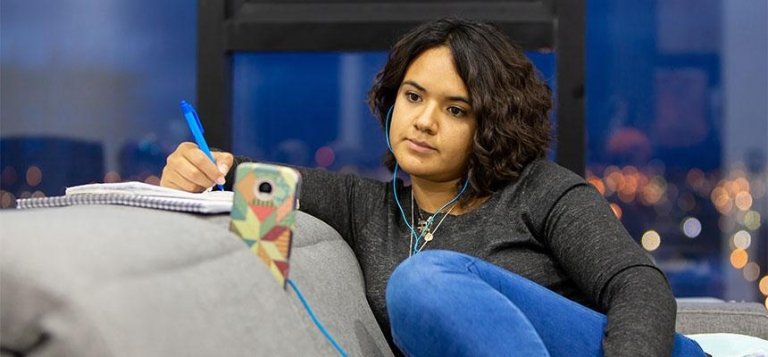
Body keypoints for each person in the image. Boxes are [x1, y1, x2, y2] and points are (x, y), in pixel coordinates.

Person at [160, 18, 705, 356]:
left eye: (456, 109)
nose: (423, 121)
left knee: (420, 281)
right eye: (414, 96)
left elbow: (639, 286)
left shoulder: (544, 192)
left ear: (490, 125)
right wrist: (201, 171)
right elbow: (247, 181)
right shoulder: (366, 206)